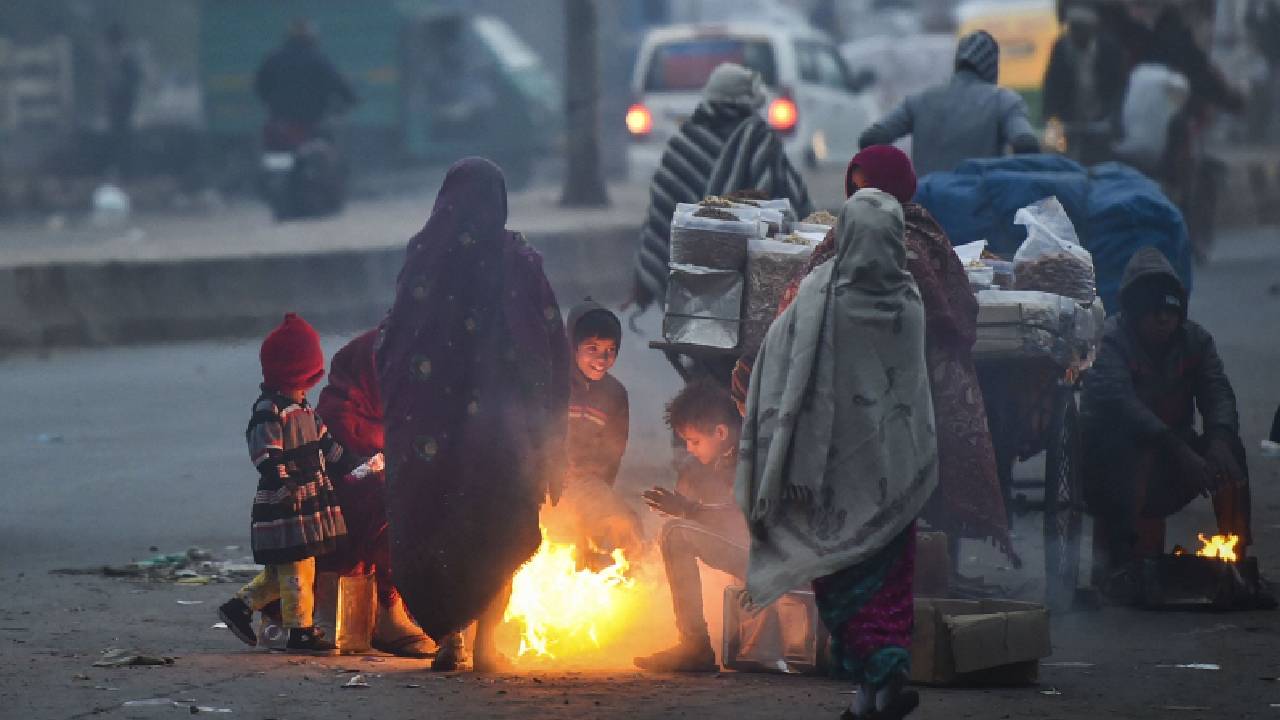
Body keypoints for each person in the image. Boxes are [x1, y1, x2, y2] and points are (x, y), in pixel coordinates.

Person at [742, 146, 1012, 561]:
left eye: (872, 189)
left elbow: (952, 315)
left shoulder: (918, 244)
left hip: (904, 394)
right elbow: (792, 314)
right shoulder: (837, 244)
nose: (863, 198)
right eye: (857, 189)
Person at [738, 189, 938, 720]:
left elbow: (775, 366)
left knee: (841, 580)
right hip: (894, 474)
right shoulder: (910, 301)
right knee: (890, 586)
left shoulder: (819, 296)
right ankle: (873, 695)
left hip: (827, 478)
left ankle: (879, 682)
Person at [376, 158, 570, 672]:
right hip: (500, 437)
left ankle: (450, 642)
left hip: (432, 437)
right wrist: (550, 435)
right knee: (495, 529)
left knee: (442, 528)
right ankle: (485, 646)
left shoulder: (424, 259)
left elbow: (394, 348)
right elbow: (549, 347)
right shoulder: (518, 261)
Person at [1082, 247, 1251, 580]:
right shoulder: (1109, 342)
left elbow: (1217, 393)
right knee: (1135, 449)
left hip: (1176, 460)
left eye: (1170, 312)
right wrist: (1178, 450)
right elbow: (1122, 407)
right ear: (1133, 312)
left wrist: (1219, 436)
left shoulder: (1197, 342)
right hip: (1112, 468)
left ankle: (1238, 559)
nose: (1163, 320)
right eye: (1153, 312)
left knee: (1231, 455)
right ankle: (1119, 563)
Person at [218, 313, 353, 654]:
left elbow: (326, 445)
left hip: (306, 504)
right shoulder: (270, 410)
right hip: (286, 506)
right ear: (297, 371)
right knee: (298, 571)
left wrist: (354, 465)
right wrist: (284, 485)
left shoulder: (304, 408)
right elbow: (265, 454)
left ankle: (239, 607)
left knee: (285, 573)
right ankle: (299, 631)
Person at [633, 62, 813, 310]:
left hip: (690, 280)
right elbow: (785, 204)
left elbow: (661, 218)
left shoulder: (683, 142)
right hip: (752, 278)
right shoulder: (759, 139)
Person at [315, 329, 434, 658]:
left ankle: (392, 614)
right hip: (337, 516)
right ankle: (382, 616)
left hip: (371, 496)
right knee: (386, 514)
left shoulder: (397, 412)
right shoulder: (339, 415)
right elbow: (352, 475)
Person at [634, 380, 749, 673]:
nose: (689, 448)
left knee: (676, 534)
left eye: (695, 441)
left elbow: (739, 520)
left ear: (720, 432)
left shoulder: (750, 455)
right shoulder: (727, 456)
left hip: (774, 560)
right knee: (677, 529)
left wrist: (687, 510)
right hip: (765, 554)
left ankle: (695, 647)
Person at [858, 30, 1040, 177]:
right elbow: (1025, 143)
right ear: (993, 67)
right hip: (982, 208)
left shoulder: (920, 100)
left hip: (928, 210)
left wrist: (899, 180)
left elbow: (871, 138)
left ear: (958, 63)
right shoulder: (1004, 101)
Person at [542, 300, 642, 566]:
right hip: (541, 486)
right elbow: (533, 438)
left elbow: (612, 457)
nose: (602, 358)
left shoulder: (615, 395)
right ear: (572, 346)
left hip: (587, 486)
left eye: (611, 350)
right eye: (592, 348)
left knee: (625, 525)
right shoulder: (551, 382)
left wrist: (596, 499)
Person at [1042, 4, 1127, 164]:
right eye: (1072, 29)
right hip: (1071, 121)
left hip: (1102, 121)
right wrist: (1048, 115)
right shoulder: (1061, 48)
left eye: (1079, 29)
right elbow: (1052, 84)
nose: (1074, 35)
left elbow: (1119, 87)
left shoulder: (1109, 49)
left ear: (1091, 30)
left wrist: (1113, 117)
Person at [254, 20, 356, 144]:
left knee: (274, 151)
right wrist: (350, 99)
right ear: (312, 38)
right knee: (328, 147)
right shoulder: (319, 60)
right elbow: (339, 84)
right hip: (314, 119)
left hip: (281, 119)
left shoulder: (273, 59)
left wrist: (272, 103)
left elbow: (260, 86)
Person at [103, 24, 141, 177]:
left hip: (123, 102)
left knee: (122, 136)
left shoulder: (126, 59)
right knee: (120, 135)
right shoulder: (122, 58)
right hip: (119, 102)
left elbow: (131, 81)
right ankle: (123, 168)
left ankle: (125, 169)